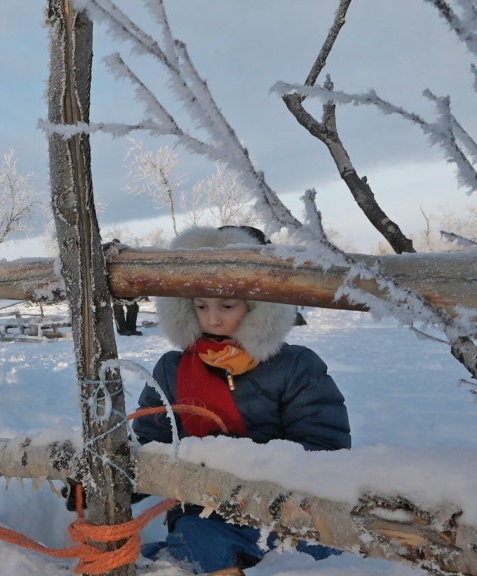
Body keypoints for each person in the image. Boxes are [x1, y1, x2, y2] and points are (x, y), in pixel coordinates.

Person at [133, 225, 351, 573]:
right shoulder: (172, 369)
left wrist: (234, 466)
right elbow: (149, 445)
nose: (212, 317)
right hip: (204, 515)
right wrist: (111, 482)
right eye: (201, 305)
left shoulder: (296, 366)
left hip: (289, 513)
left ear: (258, 306)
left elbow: (325, 446)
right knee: (203, 546)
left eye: (227, 304)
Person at [104, 239, 142, 335]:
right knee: (118, 308)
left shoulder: (126, 256)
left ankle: (131, 328)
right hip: (114, 286)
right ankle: (122, 330)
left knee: (133, 307)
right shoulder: (108, 257)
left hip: (127, 286)